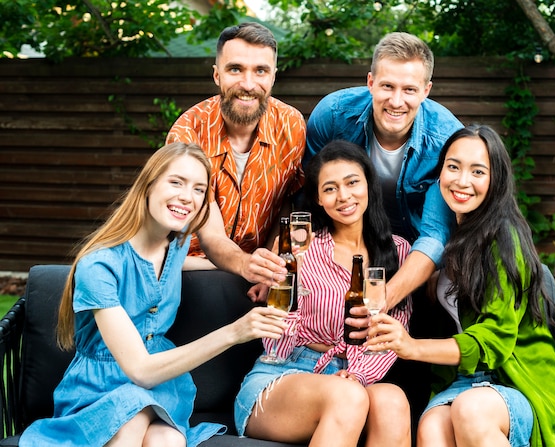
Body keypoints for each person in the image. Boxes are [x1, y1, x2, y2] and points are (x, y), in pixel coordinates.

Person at [19, 142, 288, 447]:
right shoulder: (98, 266)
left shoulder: (174, 245)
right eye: (176, 182)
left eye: (199, 189)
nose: (187, 197)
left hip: (160, 387)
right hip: (101, 392)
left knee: (169, 440)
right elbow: (141, 370)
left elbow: (175, 263)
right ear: (147, 186)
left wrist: (243, 271)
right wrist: (235, 332)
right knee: (130, 428)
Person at [365, 125, 555, 447]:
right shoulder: (452, 235)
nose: (462, 181)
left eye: (478, 171)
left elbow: (495, 340)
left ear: (496, 179)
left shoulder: (505, 237)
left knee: (470, 411)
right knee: (431, 428)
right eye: (453, 166)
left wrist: (412, 347)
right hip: (462, 381)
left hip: (517, 382)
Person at [305, 30, 464, 421]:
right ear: (370, 81)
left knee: (415, 313)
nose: (397, 101)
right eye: (387, 86)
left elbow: (435, 235)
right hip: (346, 240)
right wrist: (293, 262)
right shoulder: (332, 115)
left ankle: (412, 408)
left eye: (410, 89)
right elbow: (310, 192)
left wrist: (383, 298)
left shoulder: (446, 137)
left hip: (411, 250)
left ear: (427, 90)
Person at [234, 140, 413, 447]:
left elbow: (391, 336)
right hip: (285, 373)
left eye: (352, 182)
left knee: (392, 400)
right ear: (318, 199)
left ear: (369, 184)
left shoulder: (398, 251)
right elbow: (278, 321)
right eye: (330, 188)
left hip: (354, 377)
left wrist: (356, 373)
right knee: (347, 396)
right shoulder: (300, 244)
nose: (344, 196)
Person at [166, 22, 305, 289]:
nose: (248, 84)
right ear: (217, 75)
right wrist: (249, 266)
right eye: (235, 69)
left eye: (261, 71)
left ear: (273, 76)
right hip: (190, 270)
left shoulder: (292, 125)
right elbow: (211, 233)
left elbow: (286, 205)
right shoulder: (187, 132)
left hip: (257, 271)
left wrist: (271, 265)